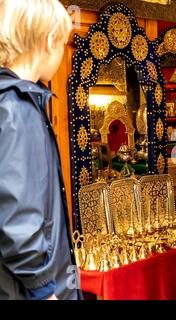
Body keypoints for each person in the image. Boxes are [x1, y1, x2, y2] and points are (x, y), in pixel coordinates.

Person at [0, 0, 80, 300]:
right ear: (49, 42)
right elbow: (18, 218)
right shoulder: (17, 109)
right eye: (64, 43)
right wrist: (44, 290)